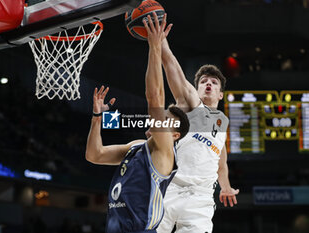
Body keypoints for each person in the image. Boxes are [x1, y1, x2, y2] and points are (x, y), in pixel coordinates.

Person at [85, 13, 189, 233]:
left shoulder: (164, 151)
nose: (158, 119)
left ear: (175, 135)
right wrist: (96, 118)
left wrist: (155, 47)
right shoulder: (135, 147)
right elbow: (95, 155)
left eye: (165, 119)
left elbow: (155, 97)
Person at [156, 38, 239, 233]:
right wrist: (161, 41)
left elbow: (221, 162)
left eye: (214, 82)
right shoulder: (192, 104)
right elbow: (172, 67)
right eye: (203, 82)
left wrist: (226, 186)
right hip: (170, 189)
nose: (208, 84)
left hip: (200, 200)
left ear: (221, 94)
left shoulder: (223, 122)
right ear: (197, 89)